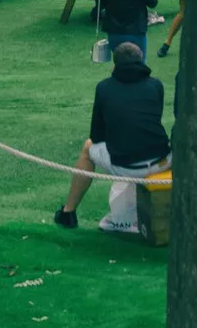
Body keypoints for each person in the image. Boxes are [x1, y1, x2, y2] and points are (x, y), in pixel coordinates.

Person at [53, 43, 170, 234]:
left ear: (114, 64)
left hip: (126, 164)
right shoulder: (156, 85)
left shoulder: (104, 88)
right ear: (141, 61)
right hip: (162, 161)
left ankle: (68, 212)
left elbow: (96, 136)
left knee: (87, 149)